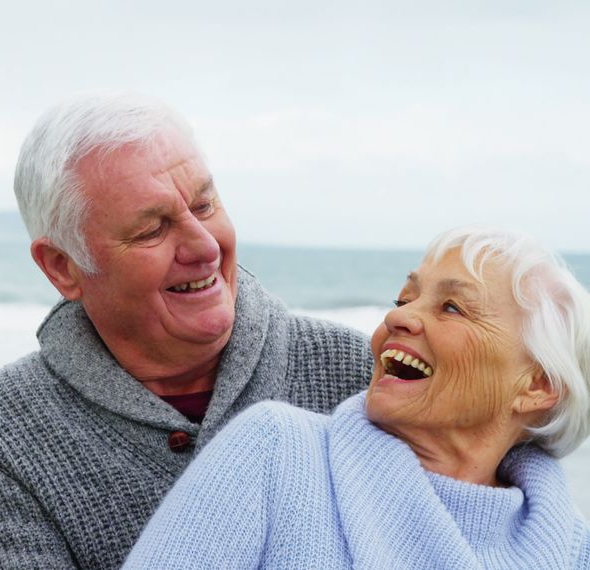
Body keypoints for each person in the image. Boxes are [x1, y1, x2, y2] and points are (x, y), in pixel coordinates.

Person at [0, 91, 374, 569]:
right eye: (152, 231)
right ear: (63, 267)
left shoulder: (355, 372)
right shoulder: (1, 433)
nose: (206, 246)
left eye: (205, 205)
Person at [124, 226, 590, 569]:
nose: (401, 319)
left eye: (452, 307)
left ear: (539, 386)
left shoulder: (573, 548)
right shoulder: (276, 451)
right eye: (403, 299)